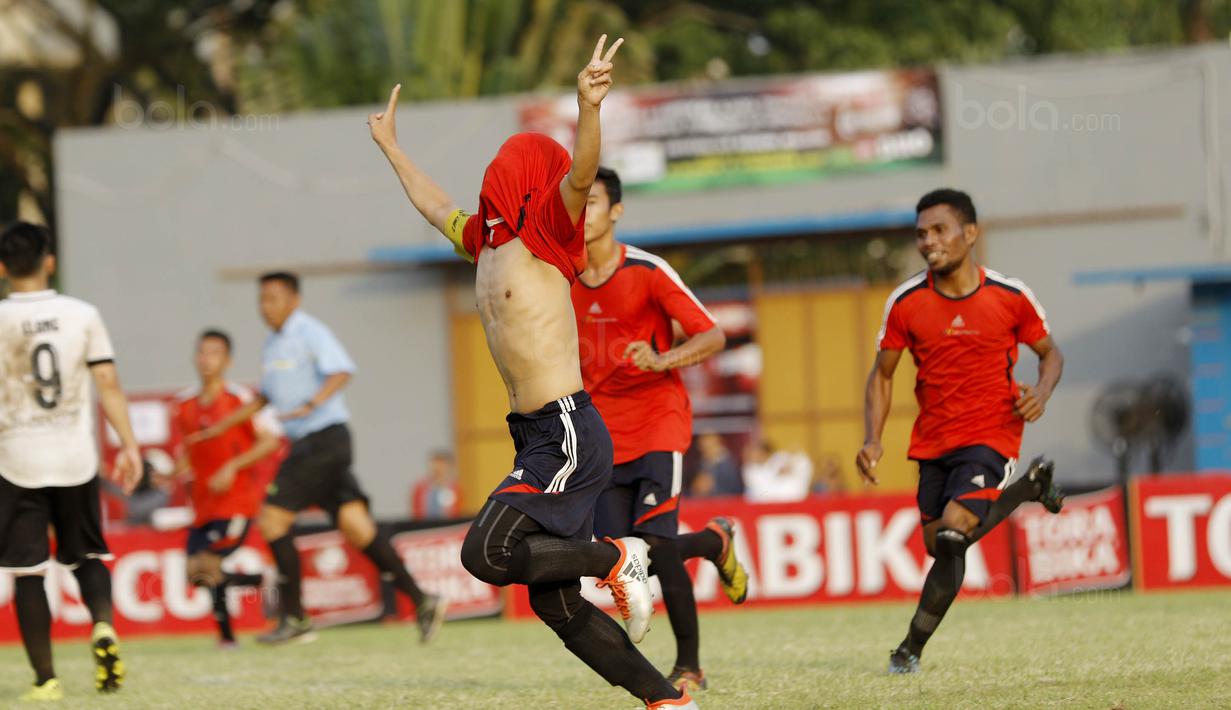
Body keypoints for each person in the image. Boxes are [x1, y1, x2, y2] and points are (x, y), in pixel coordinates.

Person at [370, 34, 698, 710]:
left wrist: (587, 108)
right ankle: (666, 700)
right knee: (557, 607)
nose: (493, 170)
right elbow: (433, 204)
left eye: (506, 162)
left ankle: (615, 557)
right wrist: (393, 149)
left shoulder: (547, 229)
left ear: (525, 179)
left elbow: (580, 176)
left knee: (483, 555)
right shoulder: (481, 240)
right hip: (536, 436)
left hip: (567, 431)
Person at [856, 189, 1066, 674]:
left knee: (955, 530)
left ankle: (907, 652)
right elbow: (882, 374)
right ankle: (1029, 488)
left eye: (939, 230)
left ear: (970, 234)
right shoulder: (905, 302)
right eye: (921, 234)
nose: (929, 242)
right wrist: (872, 438)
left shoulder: (1011, 296)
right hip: (933, 441)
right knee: (941, 544)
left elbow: (1051, 354)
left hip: (993, 434)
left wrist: (1041, 391)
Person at [189, 272, 446, 646]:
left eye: (274, 298)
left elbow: (342, 370)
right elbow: (265, 397)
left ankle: (295, 618)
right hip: (315, 444)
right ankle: (423, 600)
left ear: (294, 300)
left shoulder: (310, 331)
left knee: (272, 520)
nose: (266, 307)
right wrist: (224, 425)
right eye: (262, 299)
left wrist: (312, 403)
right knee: (357, 527)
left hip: (322, 439)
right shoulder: (271, 344)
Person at [574, 166, 748, 692]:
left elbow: (712, 336)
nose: (581, 211)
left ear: (617, 211)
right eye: (576, 201)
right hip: (601, 435)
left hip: (657, 422)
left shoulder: (648, 270)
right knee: (621, 561)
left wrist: (662, 358)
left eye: (593, 201)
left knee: (658, 543)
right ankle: (715, 541)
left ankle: (689, 665)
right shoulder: (560, 276)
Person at [0, 221, 143, 701]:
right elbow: (108, 383)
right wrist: (130, 445)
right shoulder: (82, 314)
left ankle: (46, 680)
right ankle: (102, 624)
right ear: (50, 261)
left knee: (28, 571)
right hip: (74, 456)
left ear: (2, 267)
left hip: (16, 458)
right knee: (87, 555)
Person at [171, 329, 281, 647]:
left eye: (215, 353)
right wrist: (171, 473)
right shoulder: (184, 404)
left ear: (227, 361)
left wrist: (232, 466)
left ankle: (228, 636)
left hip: (237, 501)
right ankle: (259, 583)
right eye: (202, 352)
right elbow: (192, 452)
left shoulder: (240, 400)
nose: (207, 359)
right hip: (203, 504)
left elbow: (270, 441)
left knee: (209, 563)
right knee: (196, 574)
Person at [742, 439, 813, 503]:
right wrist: (777, 475)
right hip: (766, 499)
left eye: (756, 453)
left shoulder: (779, 458)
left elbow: (797, 462)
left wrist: (788, 467)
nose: (753, 456)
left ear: (764, 453)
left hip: (789, 498)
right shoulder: (750, 469)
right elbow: (763, 489)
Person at [409, 450, 460, 520]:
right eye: (435, 468)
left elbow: (457, 513)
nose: (437, 471)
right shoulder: (420, 489)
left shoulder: (455, 489)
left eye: (441, 467)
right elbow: (416, 514)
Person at [689, 433, 742, 497]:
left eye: (709, 446)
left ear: (719, 444)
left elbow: (735, 490)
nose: (706, 450)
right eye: (703, 447)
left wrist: (711, 487)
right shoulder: (699, 464)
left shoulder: (730, 465)